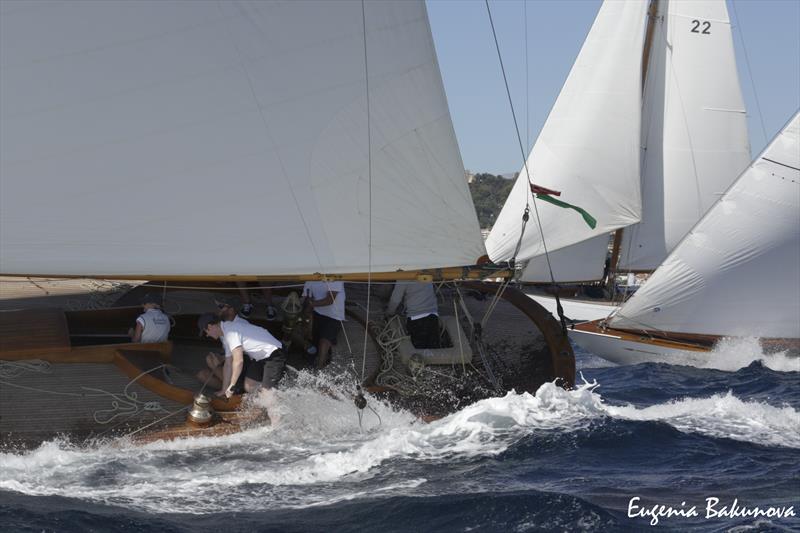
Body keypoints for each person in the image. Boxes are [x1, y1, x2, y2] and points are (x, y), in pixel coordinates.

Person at [197, 313, 286, 398]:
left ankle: (275, 396)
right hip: (259, 358)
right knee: (249, 386)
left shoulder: (230, 332)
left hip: (274, 353)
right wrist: (224, 389)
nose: (208, 335)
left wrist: (232, 385)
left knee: (267, 394)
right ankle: (268, 394)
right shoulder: (225, 334)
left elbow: (238, 361)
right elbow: (228, 364)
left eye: (206, 332)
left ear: (209, 326)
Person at [302, 280, 345, 369]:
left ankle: (319, 367)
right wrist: (306, 310)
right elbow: (307, 297)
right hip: (317, 313)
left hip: (334, 316)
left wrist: (311, 304)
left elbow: (330, 300)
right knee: (309, 337)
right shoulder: (309, 278)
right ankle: (313, 353)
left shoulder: (335, 277)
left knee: (324, 341)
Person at [386, 281, 441, 349]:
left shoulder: (403, 277)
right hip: (433, 316)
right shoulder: (425, 271)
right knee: (435, 349)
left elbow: (395, 300)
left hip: (416, 318)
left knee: (418, 352)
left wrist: (389, 312)